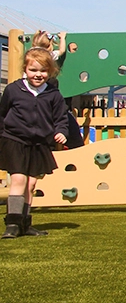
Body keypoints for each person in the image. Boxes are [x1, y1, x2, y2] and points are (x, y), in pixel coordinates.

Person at [0, 47, 69, 239]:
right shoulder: (14, 90)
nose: (38, 75)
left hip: (39, 144)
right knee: (19, 180)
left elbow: (61, 118)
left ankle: (25, 223)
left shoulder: (53, 95)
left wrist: (61, 132)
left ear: (50, 72)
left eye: (43, 71)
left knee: (30, 184)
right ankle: (12, 224)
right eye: (33, 70)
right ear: (25, 69)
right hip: (15, 140)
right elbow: (2, 113)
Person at [31, 30, 85, 149]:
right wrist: (62, 38)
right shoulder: (49, 55)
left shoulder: (30, 54)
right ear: (50, 45)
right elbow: (61, 51)